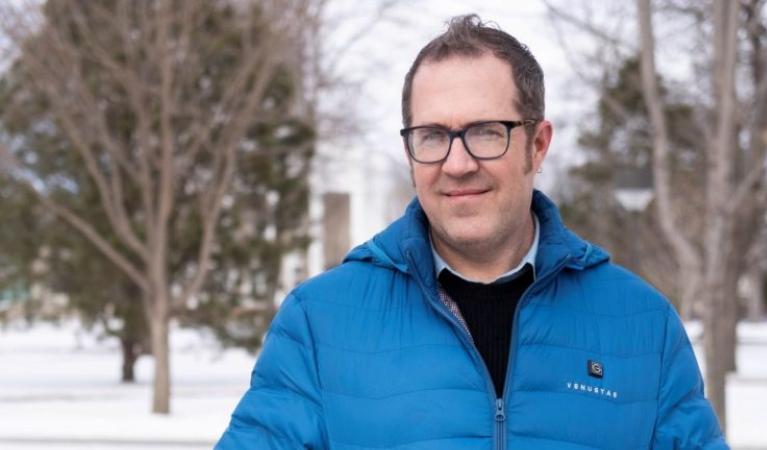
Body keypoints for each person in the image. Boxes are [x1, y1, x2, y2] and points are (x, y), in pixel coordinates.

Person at [216, 14, 728, 449]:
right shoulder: (317, 324)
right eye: (433, 136)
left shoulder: (643, 326)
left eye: (487, 132)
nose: (457, 164)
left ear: (538, 145)